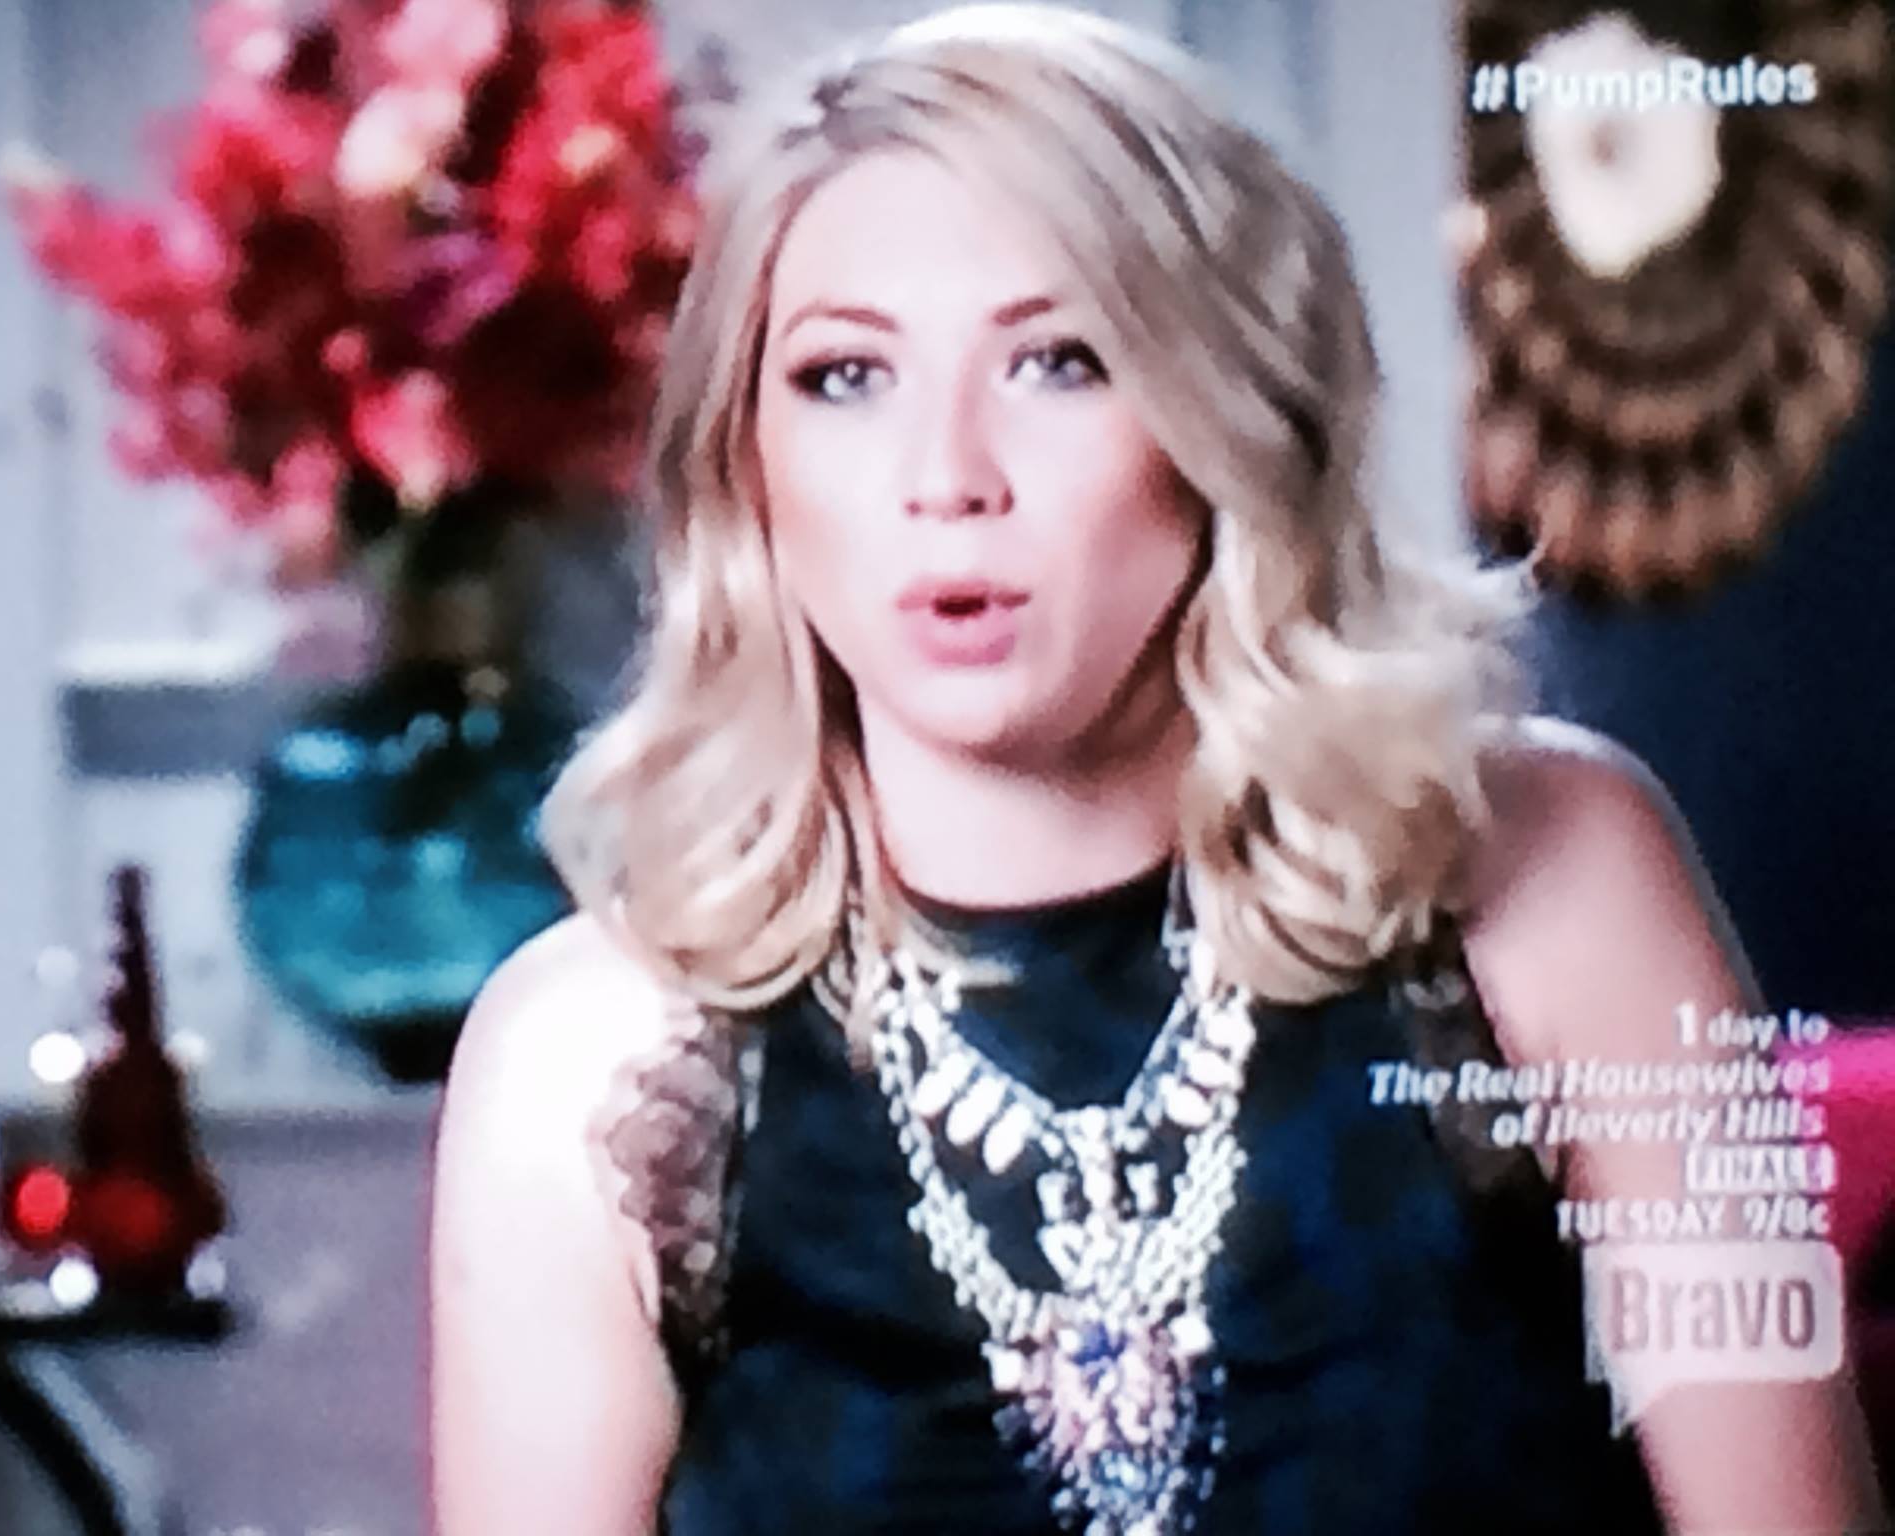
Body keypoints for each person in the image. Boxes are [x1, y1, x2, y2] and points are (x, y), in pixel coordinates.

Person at [428, 6, 1886, 1532]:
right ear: (746, 462)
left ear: (1223, 415)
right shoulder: (580, 1075)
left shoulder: (1567, 876)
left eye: (1057, 361)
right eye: (846, 376)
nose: (947, 479)